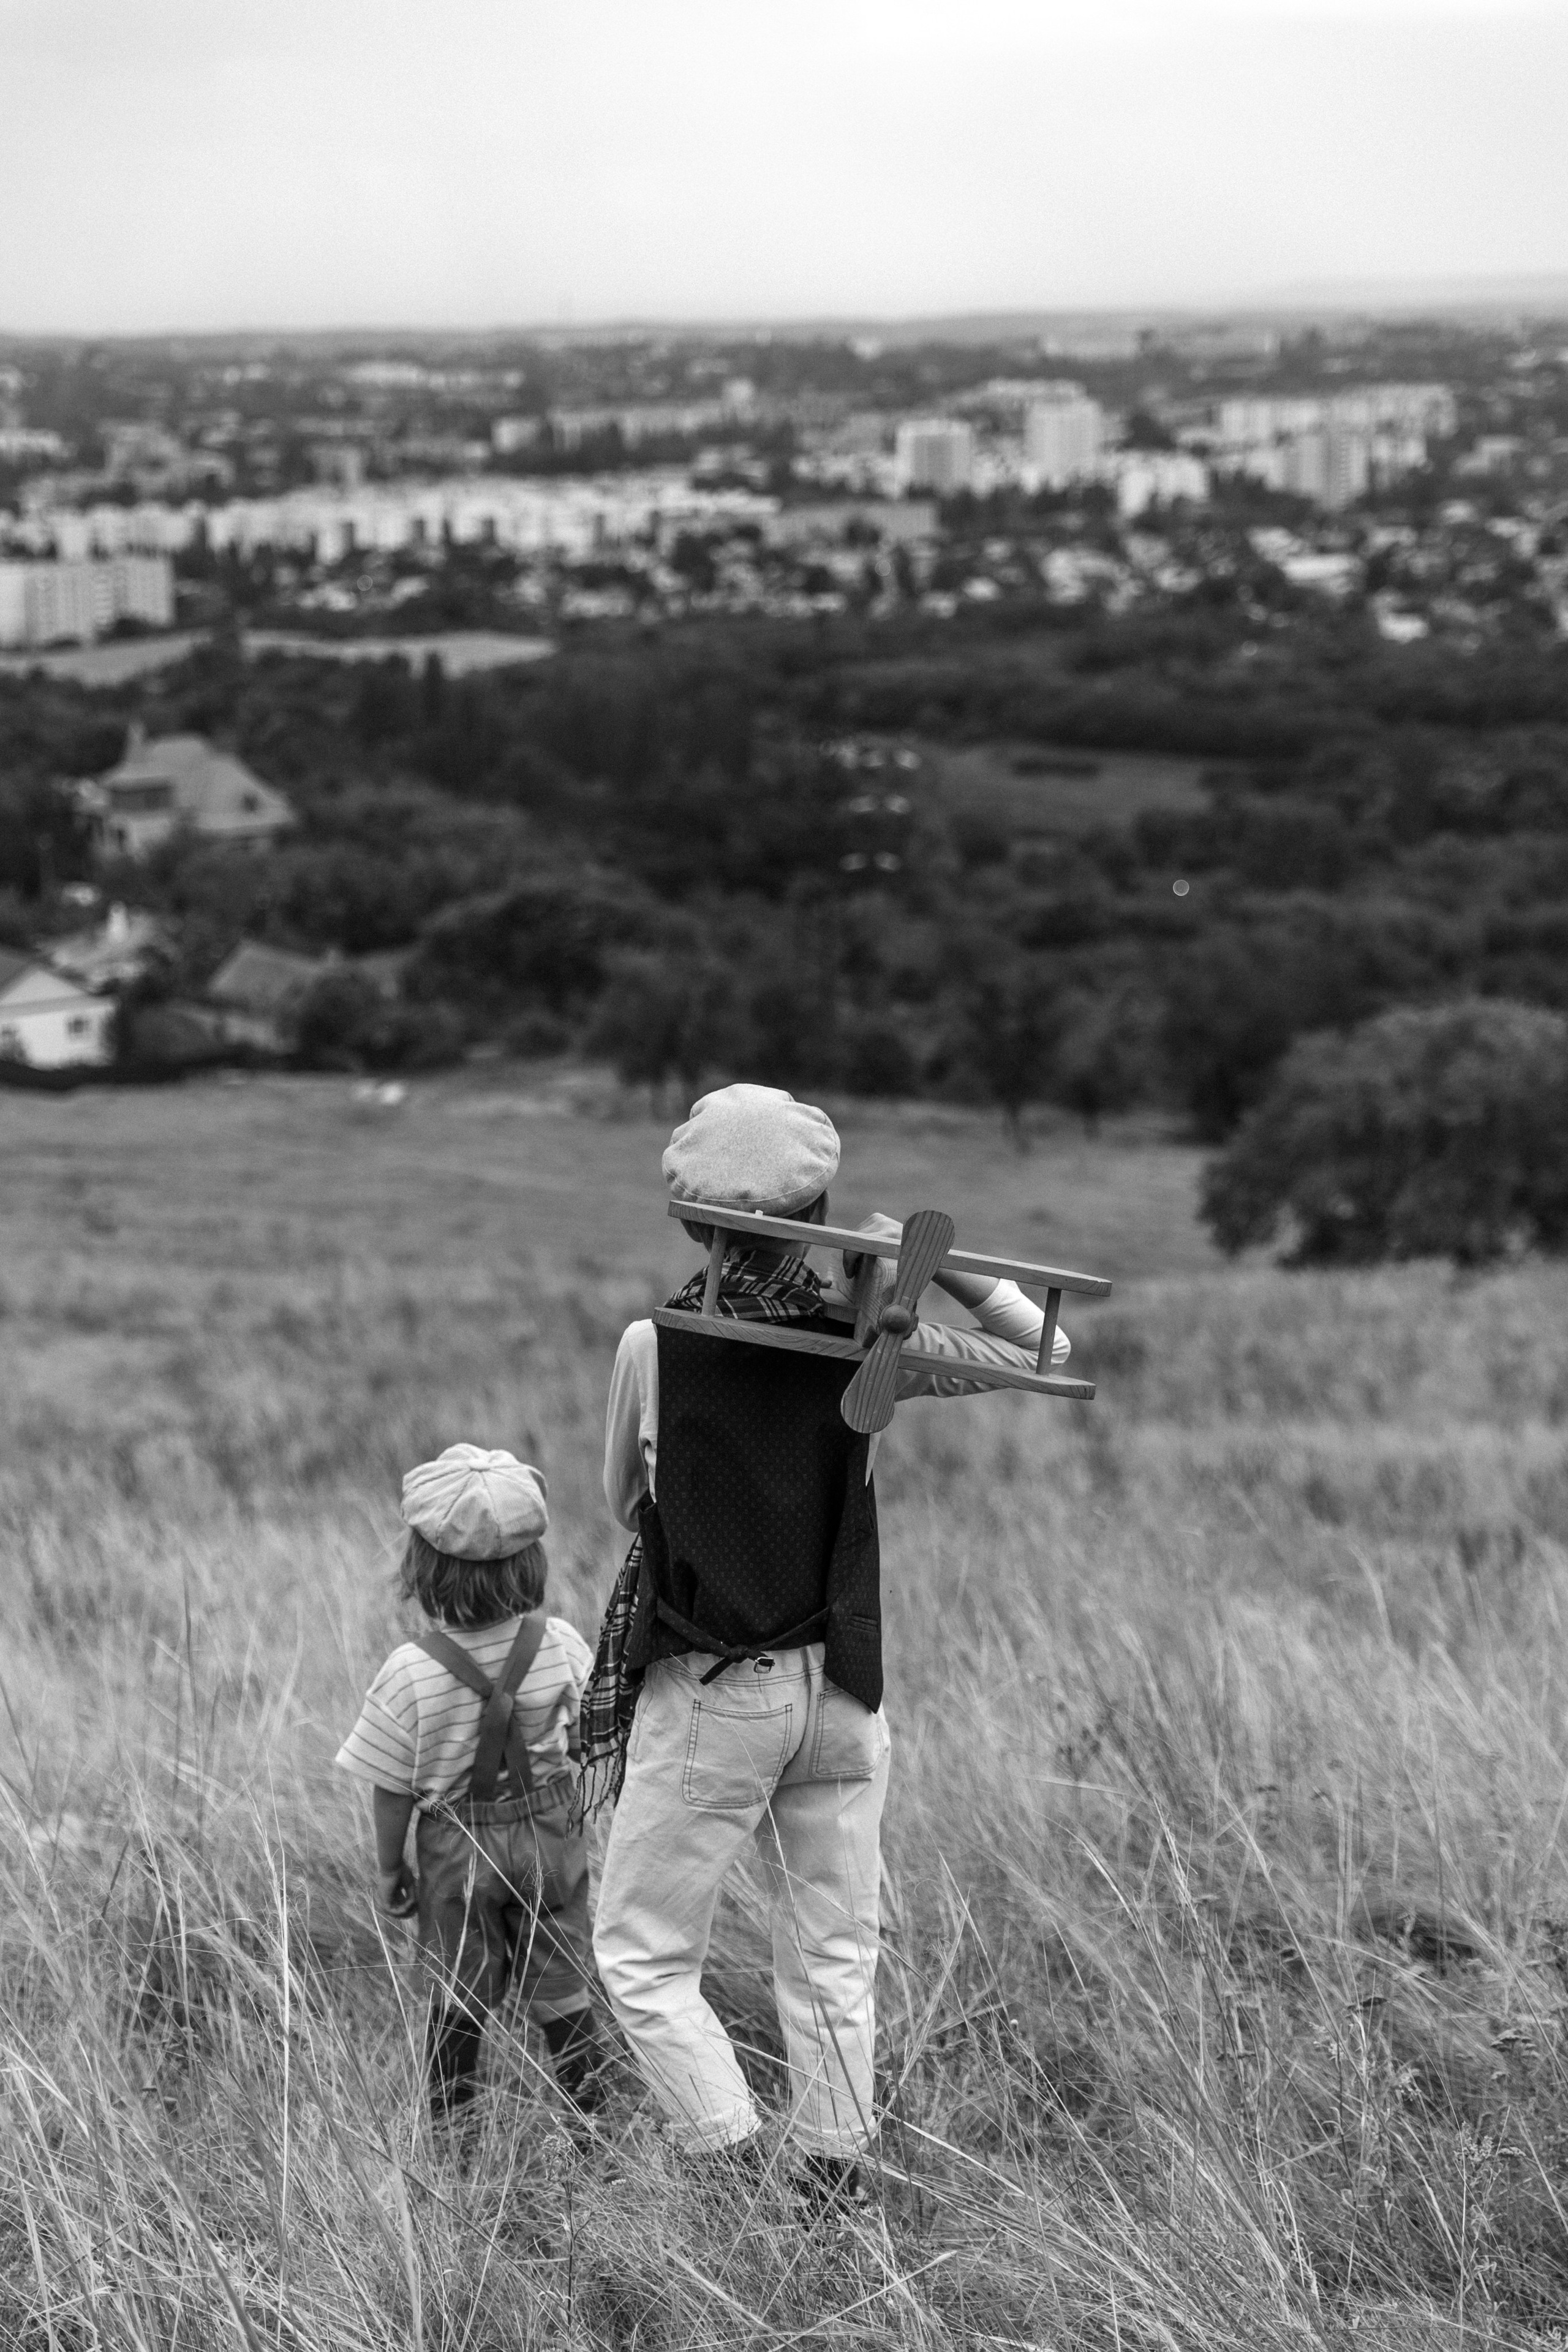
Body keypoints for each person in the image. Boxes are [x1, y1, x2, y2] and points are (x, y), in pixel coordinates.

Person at [581, 1083, 1069, 2201]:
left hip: (715, 1685)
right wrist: (924, 1258)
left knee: (645, 1958)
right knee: (835, 1958)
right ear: (825, 1205)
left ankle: (734, 2155)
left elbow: (625, 1503)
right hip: (846, 1687)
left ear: (695, 1222)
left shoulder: (653, 1347)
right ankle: (830, 2189)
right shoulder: (870, 1344)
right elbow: (1049, 1344)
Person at [336, 1443, 608, 2120]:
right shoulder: (564, 1644)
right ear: (531, 1560)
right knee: (564, 1986)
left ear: (422, 1566)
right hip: (552, 1835)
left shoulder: (408, 1671)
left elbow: (392, 1787)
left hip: (457, 1852)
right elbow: (592, 1745)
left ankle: (454, 2133)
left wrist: (389, 1867)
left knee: (458, 1991)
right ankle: (591, 2128)